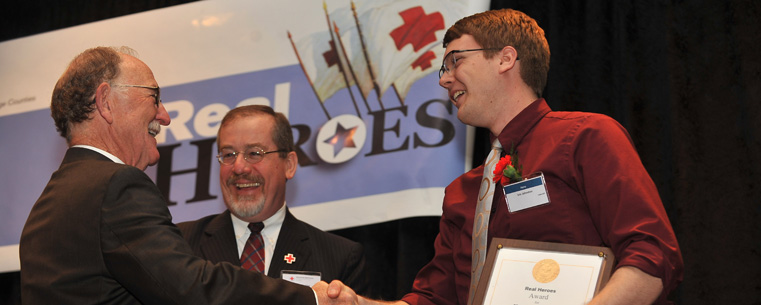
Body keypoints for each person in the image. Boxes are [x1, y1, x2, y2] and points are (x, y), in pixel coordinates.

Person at [329, 8, 684, 305]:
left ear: (505, 58)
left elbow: (652, 257)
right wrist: (358, 303)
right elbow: (433, 300)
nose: (444, 79)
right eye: (443, 69)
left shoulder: (585, 137)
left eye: (455, 61)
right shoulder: (462, 193)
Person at [19, 46, 357, 304]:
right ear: (106, 101)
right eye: (155, 97)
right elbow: (191, 286)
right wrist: (309, 297)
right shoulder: (115, 186)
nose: (164, 116)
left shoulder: (47, 206)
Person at [176, 105, 369, 295]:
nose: (239, 167)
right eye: (228, 155)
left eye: (254, 153)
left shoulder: (339, 257)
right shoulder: (179, 243)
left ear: (289, 165)